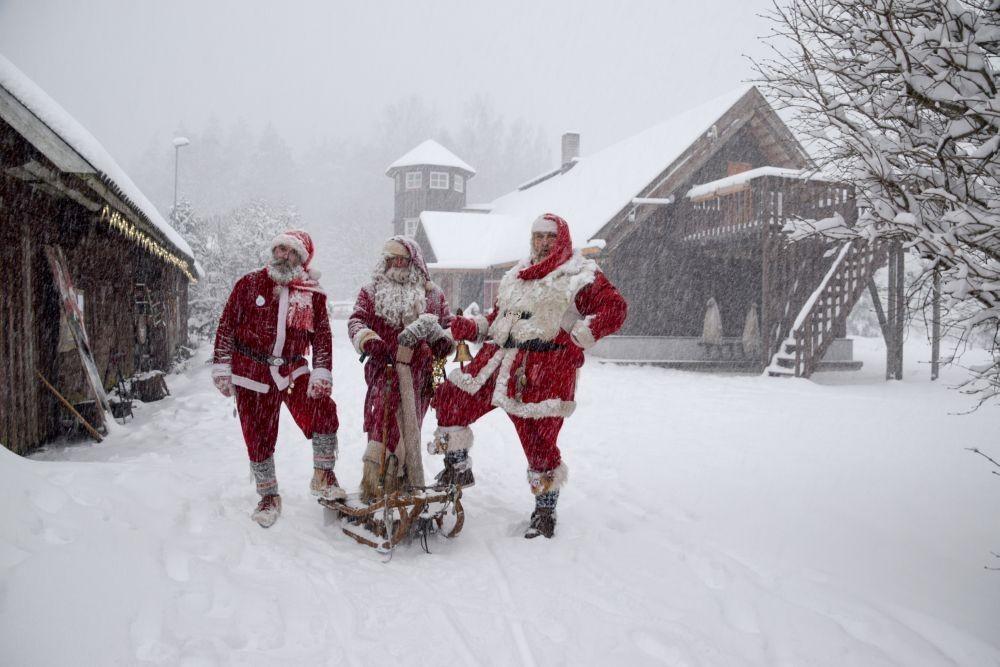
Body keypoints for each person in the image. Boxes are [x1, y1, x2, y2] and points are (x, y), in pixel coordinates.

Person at [430, 213, 627, 538]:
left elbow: (615, 308)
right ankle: (457, 467)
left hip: (544, 370)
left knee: (539, 441)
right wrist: (473, 327)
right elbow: (498, 317)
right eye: (539, 237)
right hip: (497, 361)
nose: (544, 243)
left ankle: (545, 511)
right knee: (452, 397)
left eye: (550, 237)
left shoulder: (578, 274)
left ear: (562, 239)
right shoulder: (517, 275)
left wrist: (582, 333)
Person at [212, 229, 344, 528]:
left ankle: (323, 476)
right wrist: (222, 364)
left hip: (291, 369)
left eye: (291, 252)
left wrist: (321, 371)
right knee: (257, 435)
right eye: (280, 249)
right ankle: (268, 495)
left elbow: (322, 335)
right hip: (251, 371)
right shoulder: (249, 284)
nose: (283, 256)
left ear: (302, 259)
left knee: (322, 410)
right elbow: (227, 325)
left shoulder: (311, 293)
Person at [348, 236, 454, 501]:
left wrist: (443, 341)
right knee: (382, 423)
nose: (397, 264)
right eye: (391, 259)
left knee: (412, 427)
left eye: (402, 260)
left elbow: (448, 325)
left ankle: (405, 482)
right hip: (383, 369)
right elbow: (356, 321)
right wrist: (368, 340)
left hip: (420, 375)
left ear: (414, 263)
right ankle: (375, 485)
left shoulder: (432, 294)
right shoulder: (371, 291)